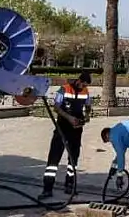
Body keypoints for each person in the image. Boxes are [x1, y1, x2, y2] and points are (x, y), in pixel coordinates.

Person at [38, 71, 93, 200]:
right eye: (83, 84)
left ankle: (69, 185)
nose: (84, 87)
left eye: (86, 85)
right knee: (54, 159)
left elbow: (88, 105)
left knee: (73, 159)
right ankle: (47, 189)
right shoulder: (64, 89)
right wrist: (69, 118)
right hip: (62, 128)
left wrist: (87, 115)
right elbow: (56, 107)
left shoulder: (85, 91)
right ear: (78, 81)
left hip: (76, 129)